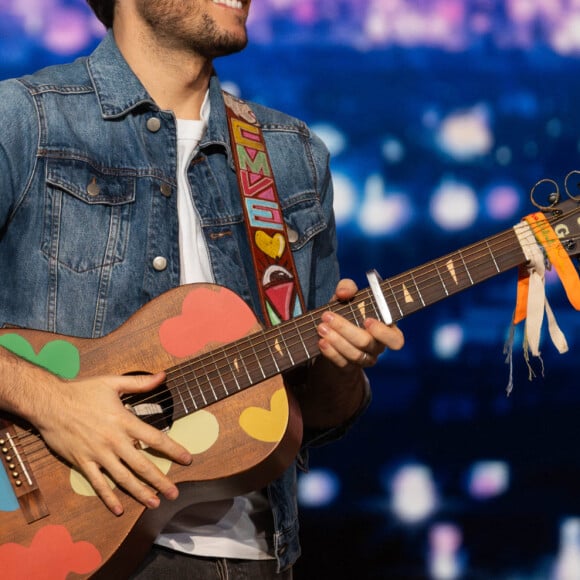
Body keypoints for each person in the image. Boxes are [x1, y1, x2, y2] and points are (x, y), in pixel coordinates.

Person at [0, 0, 404, 577]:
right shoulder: (22, 121)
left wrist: (342, 366)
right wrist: (54, 403)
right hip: (78, 547)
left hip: (259, 558)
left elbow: (315, 412)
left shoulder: (291, 155)